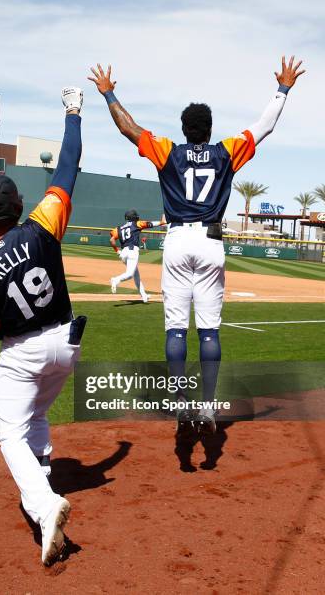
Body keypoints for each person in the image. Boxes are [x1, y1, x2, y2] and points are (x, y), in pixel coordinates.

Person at [89, 57, 305, 434]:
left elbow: (129, 128)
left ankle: (178, 401)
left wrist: (109, 93)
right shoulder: (226, 151)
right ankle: (206, 407)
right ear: (208, 129)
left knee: (176, 329)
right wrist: (283, 88)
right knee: (209, 331)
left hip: (176, 240)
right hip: (211, 241)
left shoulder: (168, 151)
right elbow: (265, 126)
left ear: (185, 129)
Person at [0, 87, 85, 566]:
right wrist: (73, 114)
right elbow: (68, 166)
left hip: (23, 351)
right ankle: (42, 476)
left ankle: (43, 504)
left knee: (8, 434)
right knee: (35, 414)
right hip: (67, 344)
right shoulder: (41, 223)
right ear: (15, 206)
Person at [109, 209, 164, 301]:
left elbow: (111, 240)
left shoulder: (119, 228)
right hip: (132, 251)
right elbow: (150, 224)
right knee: (130, 274)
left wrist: (117, 251)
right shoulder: (136, 224)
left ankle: (144, 295)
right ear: (133, 217)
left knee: (136, 275)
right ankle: (115, 279)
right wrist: (162, 222)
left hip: (123, 253)